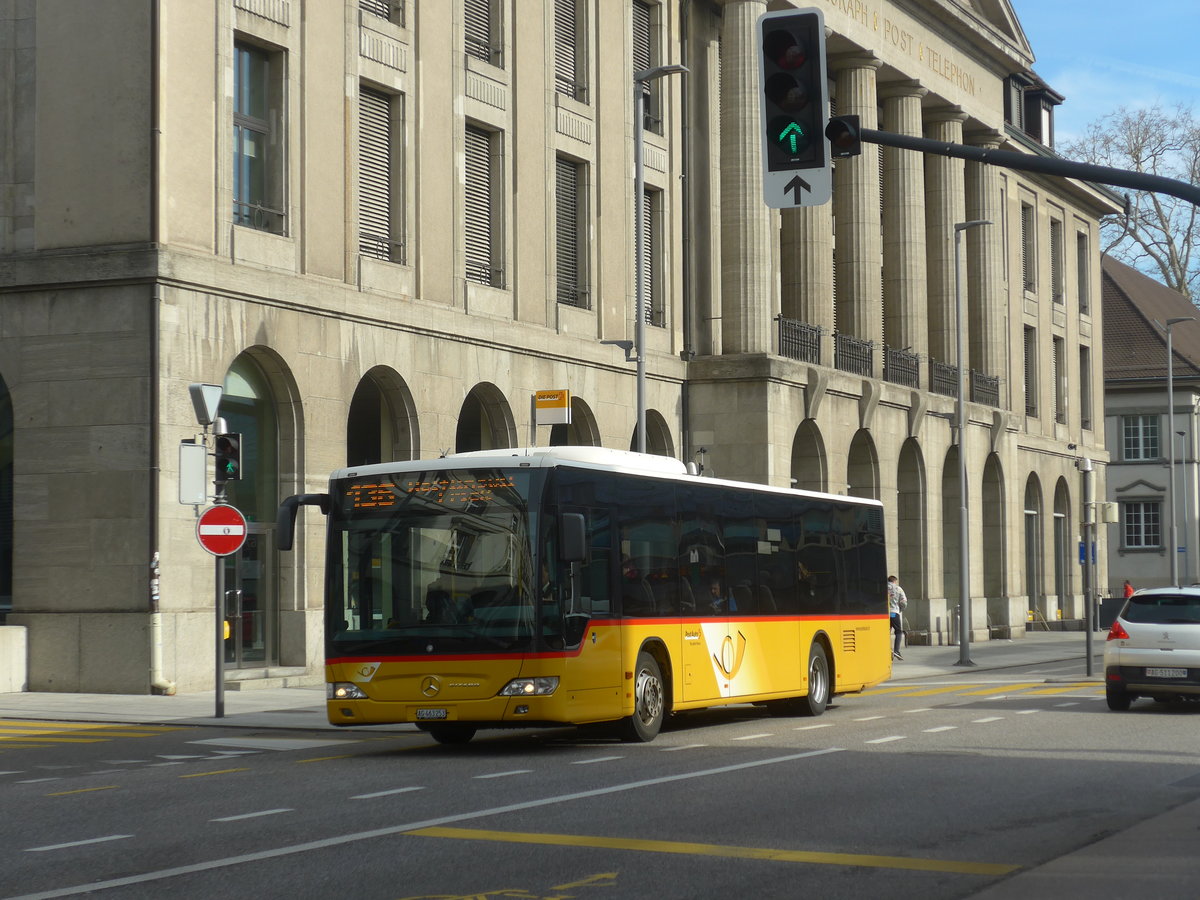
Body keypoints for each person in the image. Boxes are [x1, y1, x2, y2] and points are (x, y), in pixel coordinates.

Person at [887, 575, 907, 660]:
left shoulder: (882, 588)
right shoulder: (898, 589)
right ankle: (896, 651)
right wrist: (900, 609)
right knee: (898, 632)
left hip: (884, 615)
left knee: (885, 633)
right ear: (895, 581)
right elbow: (904, 602)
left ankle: (886, 649)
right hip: (894, 613)